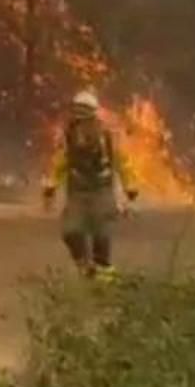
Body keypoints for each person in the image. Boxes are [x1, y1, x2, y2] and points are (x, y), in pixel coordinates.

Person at [41, 91, 138, 280]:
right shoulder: (69, 137)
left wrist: (130, 188)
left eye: (84, 114)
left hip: (101, 189)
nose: (81, 119)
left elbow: (121, 162)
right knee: (71, 231)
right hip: (77, 192)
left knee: (101, 232)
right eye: (77, 113)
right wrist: (51, 185)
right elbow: (61, 162)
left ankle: (104, 270)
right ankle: (85, 265)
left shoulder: (107, 137)